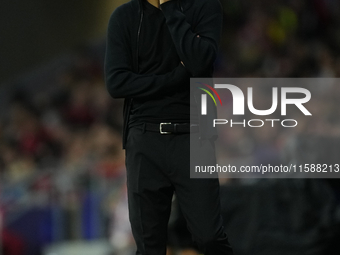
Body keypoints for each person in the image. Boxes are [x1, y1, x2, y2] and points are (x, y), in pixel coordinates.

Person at [104, 0, 234, 254]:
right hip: (144, 138)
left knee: (209, 238)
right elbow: (116, 82)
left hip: (195, 135)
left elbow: (200, 63)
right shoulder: (124, 16)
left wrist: (170, 9)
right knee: (149, 245)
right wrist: (175, 77)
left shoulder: (205, 7)